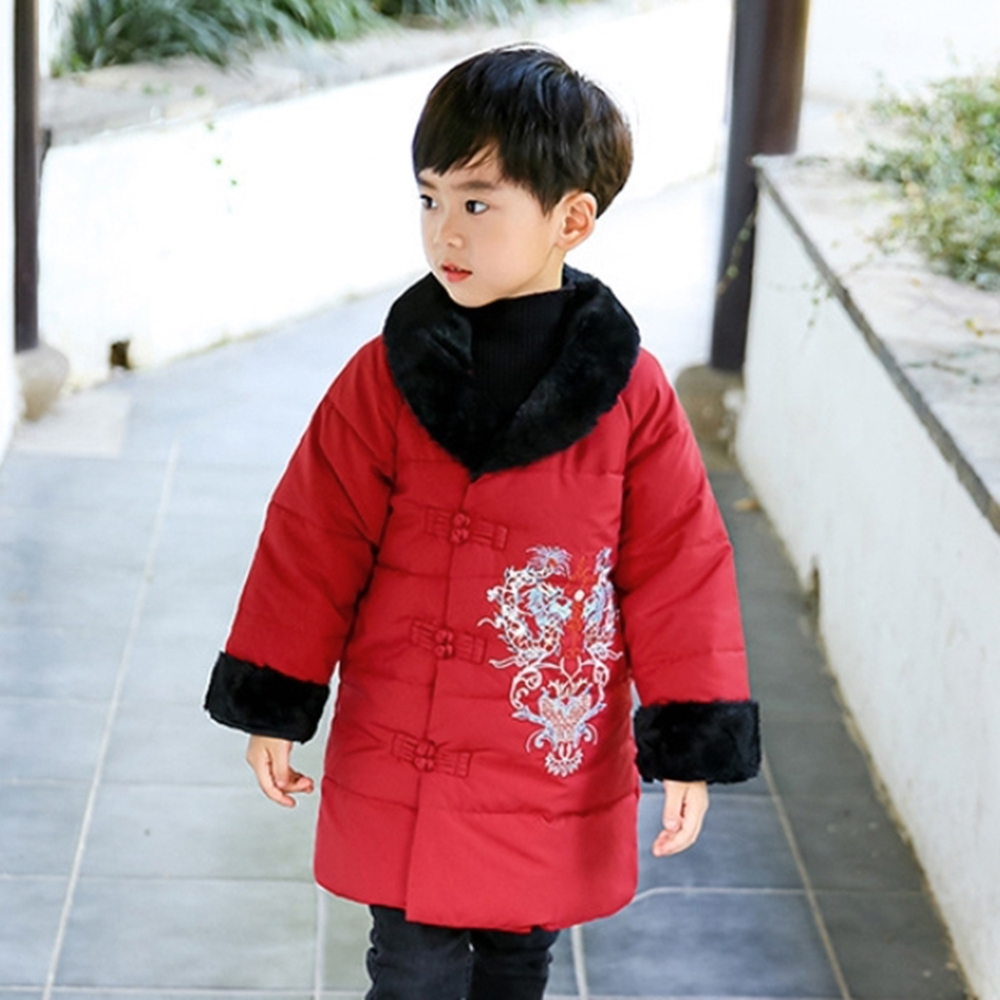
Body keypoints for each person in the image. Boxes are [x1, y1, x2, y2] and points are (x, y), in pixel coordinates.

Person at [204, 44, 760, 1000]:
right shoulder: (384, 377)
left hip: (543, 756)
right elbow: (311, 540)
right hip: (405, 744)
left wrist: (689, 747)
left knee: (516, 965)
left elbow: (679, 569)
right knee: (410, 969)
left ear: (571, 219)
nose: (443, 232)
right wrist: (275, 701)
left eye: (476, 203)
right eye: (429, 200)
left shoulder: (629, 394)